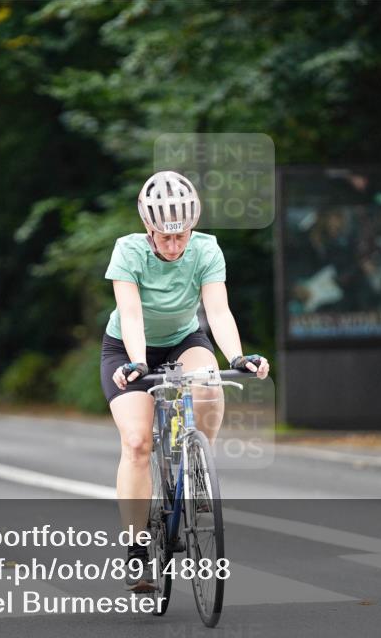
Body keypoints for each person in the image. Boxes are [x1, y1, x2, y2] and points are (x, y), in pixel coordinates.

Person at [101, 170, 270, 592]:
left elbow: (217, 311)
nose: (175, 246)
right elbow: (133, 314)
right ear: (148, 228)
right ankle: (138, 550)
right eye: (165, 237)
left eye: (182, 236)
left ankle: (199, 463)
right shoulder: (128, 252)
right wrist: (138, 363)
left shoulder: (207, 250)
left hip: (182, 340)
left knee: (210, 382)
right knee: (138, 442)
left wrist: (237, 356)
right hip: (127, 349)